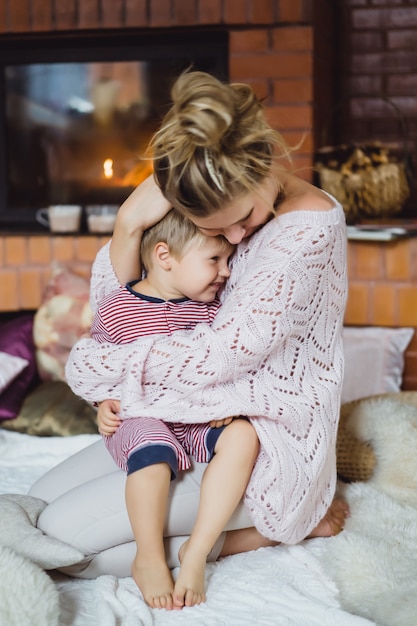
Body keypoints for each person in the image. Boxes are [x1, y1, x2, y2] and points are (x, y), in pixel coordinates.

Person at [30, 69, 348, 608]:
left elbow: (221, 354)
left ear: (263, 161)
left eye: (243, 219)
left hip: (253, 443)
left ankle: (274, 527)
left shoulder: (307, 232)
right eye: (218, 231)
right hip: (177, 416)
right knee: (33, 507)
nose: (236, 239)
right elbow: (117, 310)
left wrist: (105, 372)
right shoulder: (210, 187)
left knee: (59, 542)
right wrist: (129, 225)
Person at [92, 209, 260, 609]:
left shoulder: (212, 312)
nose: (226, 273)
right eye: (214, 260)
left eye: (229, 261)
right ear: (165, 257)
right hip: (142, 418)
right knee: (151, 443)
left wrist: (225, 403)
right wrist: (102, 403)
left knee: (244, 434)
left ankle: (197, 551)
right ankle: (148, 556)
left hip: (195, 419)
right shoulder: (115, 310)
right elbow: (99, 368)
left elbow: (228, 369)